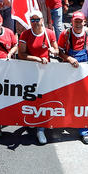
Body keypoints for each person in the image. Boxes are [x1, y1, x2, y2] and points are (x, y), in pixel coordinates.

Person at [57, 12, 88, 143]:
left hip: (85, 71)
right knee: (68, 96)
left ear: (84, 22)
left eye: (80, 21)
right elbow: (59, 51)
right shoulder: (66, 34)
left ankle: (83, 130)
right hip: (69, 70)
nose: (78, 24)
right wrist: (68, 58)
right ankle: (65, 121)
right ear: (72, 22)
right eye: (76, 21)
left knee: (84, 100)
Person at [18, 14, 58, 144]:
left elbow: (56, 50)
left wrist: (53, 50)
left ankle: (41, 129)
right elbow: (21, 54)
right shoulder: (25, 34)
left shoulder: (50, 33)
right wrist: (37, 59)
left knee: (43, 98)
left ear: (42, 20)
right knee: (30, 97)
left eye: (37, 19)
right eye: (32, 20)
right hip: (29, 71)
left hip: (45, 72)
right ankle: (31, 120)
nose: (35, 22)